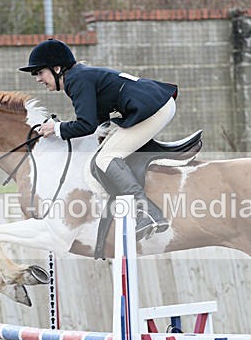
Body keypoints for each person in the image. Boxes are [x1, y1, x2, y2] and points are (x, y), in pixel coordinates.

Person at [19, 38, 177, 240]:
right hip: (155, 103)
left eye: (40, 72)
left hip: (155, 109)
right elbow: (96, 121)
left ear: (57, 68)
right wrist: (61, 128)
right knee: (104, 152)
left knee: (105, 158)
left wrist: (58, 128)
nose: (38, 79)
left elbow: (87, 125)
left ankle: (147, 212)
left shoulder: (76, 80)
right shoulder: (80, 76)